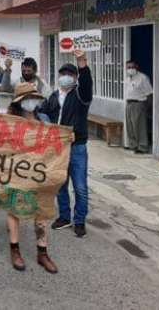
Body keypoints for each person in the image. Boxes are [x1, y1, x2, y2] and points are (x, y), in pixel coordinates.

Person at [37, 50, 93, 238]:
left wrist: (81, 62)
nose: (66, 77)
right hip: (58, 148)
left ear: (75, 78)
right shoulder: (52, 97)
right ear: (59, 76)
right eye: (63, 74)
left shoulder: (80, 95)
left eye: (70, 74)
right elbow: (40, 112)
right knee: (60, 183)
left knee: (80, 187)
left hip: (77, 147)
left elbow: (86, 83)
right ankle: (64, 216)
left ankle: (79, 221)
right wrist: (48, 125)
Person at [5, 83, 58, 273]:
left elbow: (54, 140)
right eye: (27, 98)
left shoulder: (43, 118)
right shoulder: (10, 120)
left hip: (39, 172)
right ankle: (15, 250)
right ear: (19, 101)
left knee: (41, 212)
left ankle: (42, 252)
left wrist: (67, 138)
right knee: (14, 209)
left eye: (33, 98)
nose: (31, 102)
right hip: (17, 171)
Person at [125, 60, 153, 154]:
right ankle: (133, 145)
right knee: (130, 126)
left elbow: (149, 94)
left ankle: (143, 146)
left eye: (132, 67)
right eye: (128, 67)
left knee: (140, 126)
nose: (130, 69)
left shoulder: (143, 78)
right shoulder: (128, 78)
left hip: (139, 103)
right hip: (129, 103)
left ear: (136, 67)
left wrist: (147, 107)